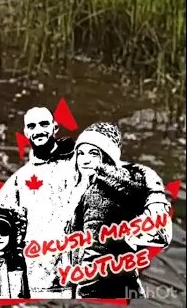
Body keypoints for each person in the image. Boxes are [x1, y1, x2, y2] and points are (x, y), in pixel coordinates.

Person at [0, 106, 76, 297]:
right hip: (40, 274)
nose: (38, 130)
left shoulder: (79, 165)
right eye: (32, 126)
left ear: (55, 127)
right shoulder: (20, 180)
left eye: (44, 124)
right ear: (26, 133)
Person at [60, 122, 171, 299]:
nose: (85, 159)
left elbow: (94, 252)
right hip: (104, 285)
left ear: (107, 156)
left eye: (93, 153)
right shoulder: (88, 193)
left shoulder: (120, 186)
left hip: (108, 286)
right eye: (80, 153)